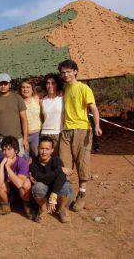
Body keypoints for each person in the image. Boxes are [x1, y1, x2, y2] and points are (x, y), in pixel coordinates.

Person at [58, 59, 102, 212]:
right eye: (63, 72)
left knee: (82, 162)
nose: (66, 75)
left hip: (82, 129)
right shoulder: (65, 89)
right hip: (66, 131)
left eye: (69, 71)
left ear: (75, 71)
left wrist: (97, 125)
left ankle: (82, 194)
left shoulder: (84, 88)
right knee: (64, 164)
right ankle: (67, 194)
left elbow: (93, 108)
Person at [0, 73, 29, 162]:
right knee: (0, 164)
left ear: (10, 84)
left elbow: (24, 119)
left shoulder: (17, 98)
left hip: (17, 138)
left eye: (5, 83)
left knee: (19, 164)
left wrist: (25, 139)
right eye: (1, 84)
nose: (3, 86)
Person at [30, 136, 73, 223]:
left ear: (52, 150)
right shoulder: (33, 164)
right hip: (44, 192)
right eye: (42, 148)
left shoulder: (56, 160)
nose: (44, 152)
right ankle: (43, 209)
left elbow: (62, 177)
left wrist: (53, 194)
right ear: (38, 148)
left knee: (64, 185)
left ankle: (62, 209)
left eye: (47, 149)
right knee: (37, 187)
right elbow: (41, 178)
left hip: (57, 192)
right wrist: (59, 170)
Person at [0, 136, 34, 219]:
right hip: (7, 191)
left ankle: (27, 205)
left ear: (16, 151)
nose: (6, 152)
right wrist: (2, 165)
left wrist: (8, 167)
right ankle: (5, 207)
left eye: (9, 149)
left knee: (26, 183)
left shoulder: (22, 162)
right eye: (4, 149)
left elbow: (20, 184)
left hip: (19, 191)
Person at [40, 73, 64, 154]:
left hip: (59, 133)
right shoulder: (42, 100)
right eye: (48, 83)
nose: (50, 86)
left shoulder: (62, 99)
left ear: (57, 84)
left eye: (53, 83)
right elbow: (41, 118)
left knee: (59, 161)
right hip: (44, 134)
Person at [19, 78, 42, 159]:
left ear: (32, 89)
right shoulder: (18, 101)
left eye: (28, 87)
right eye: (23, 87)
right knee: (23, 158)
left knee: (37, 157)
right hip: (22, 135)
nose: (25, 89)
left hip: (36, 134)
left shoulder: (37, 99)